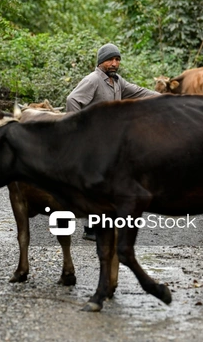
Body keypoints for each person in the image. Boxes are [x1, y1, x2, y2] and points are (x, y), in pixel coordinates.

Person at [66, 43, 160, 241]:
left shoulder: (117, 82)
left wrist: (165, 98)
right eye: (110, 59)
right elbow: (72, 100)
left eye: (117, 59)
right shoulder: (93, 80)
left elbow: (139, 92)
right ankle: (90, 229)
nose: (114, 63)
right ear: (101, 61)